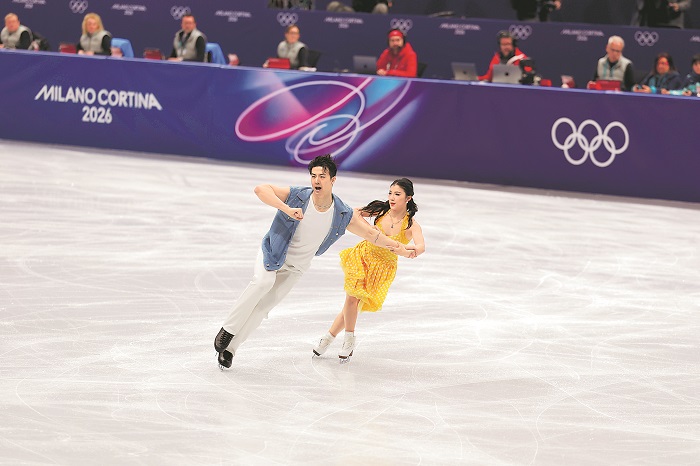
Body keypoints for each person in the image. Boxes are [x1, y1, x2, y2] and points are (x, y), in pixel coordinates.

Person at [213, 155, 414, 369]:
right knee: (263, 283)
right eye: (313, 175)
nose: (316, 180)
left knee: (264, 307)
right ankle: (228, 329)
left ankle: (230, 349)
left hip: (296, 268)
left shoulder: (341, 213)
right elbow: (261, 189)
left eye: (322, 176)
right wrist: (286, 209)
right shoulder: (298, 196)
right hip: (273, 253)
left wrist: (400, 248)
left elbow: (372, 235)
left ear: (332, 180)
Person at [312, 178, 425, 362]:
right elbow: (355, 212)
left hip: (382, 269)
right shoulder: (381, 210)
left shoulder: (411, 225)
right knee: (352, 299)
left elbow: (420, 247)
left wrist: (406, 251)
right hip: (363, 257)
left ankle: (329, 337)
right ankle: (349, 339)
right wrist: (368, 230)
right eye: (390, 193)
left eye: (397, 194)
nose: (392, 197)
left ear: (408, 198)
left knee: (352, 305)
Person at [327, 1, 391, 14]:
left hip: (372, 14)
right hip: (354, 13)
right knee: (334, 5)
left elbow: (387, 3)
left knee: (382, 7)